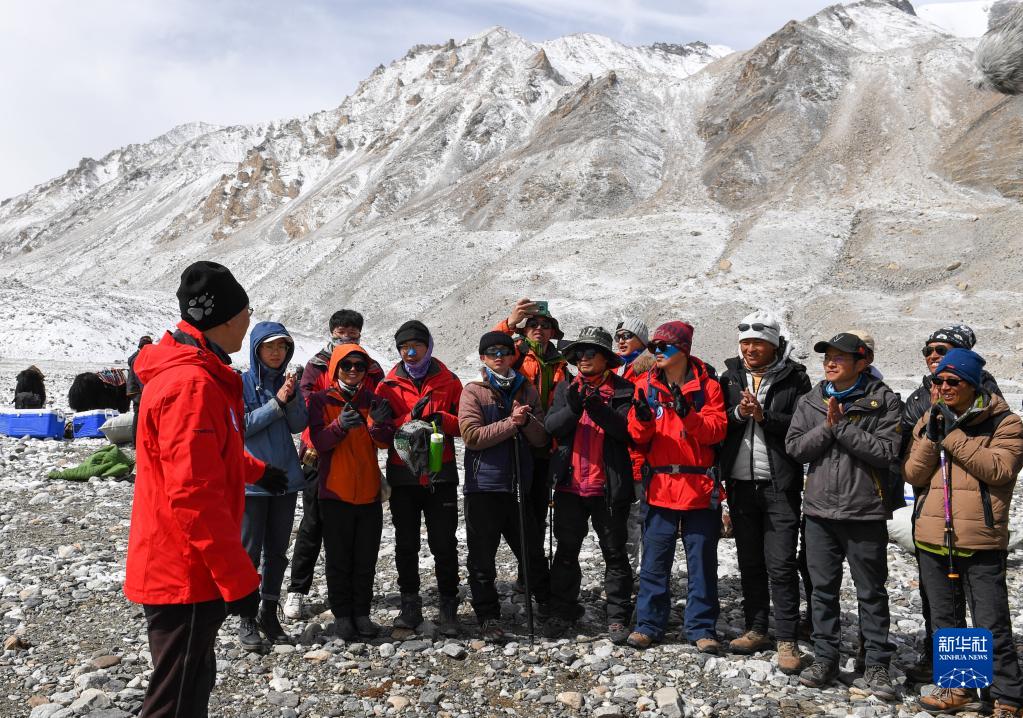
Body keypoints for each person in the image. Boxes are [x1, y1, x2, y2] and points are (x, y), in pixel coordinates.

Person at [125, 261, 288, 717]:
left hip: (182, 561)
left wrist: (255, 470)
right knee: (176, 696)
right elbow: (193, 493)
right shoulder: (191, 385)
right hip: (185, 569)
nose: (249, 319)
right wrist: (237, 579)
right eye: (246, 311)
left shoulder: (194, 373)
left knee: (192, 680)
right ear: (226, 318)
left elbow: (207, 453)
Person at [904, 349, 1023, 717]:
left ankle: (1008, 697)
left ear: (972, 385)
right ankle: (960, 687)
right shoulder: (930, 418)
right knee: (947, 621)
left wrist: (951, 435)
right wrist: (932, 435)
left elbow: (1000, 470)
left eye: (952, 381)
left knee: (991, 623)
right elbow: (913, 473)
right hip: (933, 537)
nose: (943, 387)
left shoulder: (1005, 422)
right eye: (938, 380)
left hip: (980, 539)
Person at [785, 332, 900, 699]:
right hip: (819, 511)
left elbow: (887, 452)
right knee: (822, 590)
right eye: (827, 357)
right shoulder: (811, 400)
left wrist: (843, 428)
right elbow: (795, 448)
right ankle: (825, 658)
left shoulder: (884, 401)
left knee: (871, 591)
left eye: (840, 357)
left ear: (862, 362)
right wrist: (827, 427)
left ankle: (876, 663)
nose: (830, 363)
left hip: (864, 512)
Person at [900, 324, 1000, 681]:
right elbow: (909, 456)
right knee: (940, 601)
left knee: (986, 613)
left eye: (941, 350)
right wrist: (930, 428)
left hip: (973, 521)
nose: (933, 357)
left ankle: (995, 687)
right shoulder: (920, 397)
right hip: (931, 511)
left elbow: (996, 465)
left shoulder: (988, 402)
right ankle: (949, 672)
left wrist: (948, 430)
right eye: (928, 351)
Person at [625, 321, 727, 652]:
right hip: (660, 487)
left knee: (702, 563)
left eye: (663, 347)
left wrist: (689, 416)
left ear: (682, 349)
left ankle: (701, 627)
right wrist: (642, 420)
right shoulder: (644, 385)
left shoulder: (708, 386)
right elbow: (637, 437)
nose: (656, 352)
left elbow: (716, 431)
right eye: (653, 347)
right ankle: (648, 624)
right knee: (654, 562)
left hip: (699, 487)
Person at [718, 312, 810, 674]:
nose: (750, 349)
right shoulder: (729, 377)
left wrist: (764, 416)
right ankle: (756, 628)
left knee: (782, 564)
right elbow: (719, 423)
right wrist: (739, 414)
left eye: (758, 343)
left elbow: (802, 426)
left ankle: (787, 638)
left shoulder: (796, 379)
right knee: (750, 561)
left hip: (780, 485)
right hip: (740, 484)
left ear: (773, 345)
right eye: (746, 343)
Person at [284, 309, 383, 621]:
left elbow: (380, 402)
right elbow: (306, 407)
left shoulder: (371, 367)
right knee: (313, 523)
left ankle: (349, 598)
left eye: (353, 334)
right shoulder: (316, 366)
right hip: (318, 453)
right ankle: (298, 589)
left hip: (358, 455)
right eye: (342, 333)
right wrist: (329, 429)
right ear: (331, 332)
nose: (347, 338)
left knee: (353, 529)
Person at [543, 326, 636, 644]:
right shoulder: (566, 388)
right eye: (579, 353)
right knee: (566, 551)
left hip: (609, 488)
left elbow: (627, 432)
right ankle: (562, 611)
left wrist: (595, 407)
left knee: (614, 553)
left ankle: (618, 617)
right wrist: (573, 408)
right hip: (569, 486)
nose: (583, 358)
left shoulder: (624, 390)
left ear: (606, 358)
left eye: (590, 352)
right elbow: (551, 427)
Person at [458, 331, 550, 640]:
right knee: (482, 558)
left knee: (532, 551)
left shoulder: (526, 389)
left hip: (518, 486)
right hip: (483, 487)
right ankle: (488, 617)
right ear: (483, 358)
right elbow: (472, 436)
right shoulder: (473, 391)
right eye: (492, 352)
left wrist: (527, 422)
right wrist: (512, 423)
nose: (498, 356)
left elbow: (541, 438)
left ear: (512, 356)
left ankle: (547, 606)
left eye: (504, 351)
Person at [376, 320, 464, 636]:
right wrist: (400, 420)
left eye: (416, 346)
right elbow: (382, 439)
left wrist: (442, 419)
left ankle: (448, 606)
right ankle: (410, 605)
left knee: (444, 543)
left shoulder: (449, 381)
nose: (410, 353)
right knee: (406, 543)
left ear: (428, 346)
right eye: (404, 347)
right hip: (403, 476)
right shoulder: (387, 386)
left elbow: (465, 425)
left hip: (441, 473)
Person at [308, 344, 396, 640]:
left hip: (369, 493)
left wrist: (379, 424)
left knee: (365, 559)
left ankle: (362, 614)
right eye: (347, 366)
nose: (354, 371)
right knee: (338, 560)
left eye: (360, 366)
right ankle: (343, 616)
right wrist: (339, 426)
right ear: (335, 369)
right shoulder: (320, 400)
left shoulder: (373, 401)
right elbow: (319, 442)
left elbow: (384, 442)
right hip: (335, 493)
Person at [239, 322, 308, 650]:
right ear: (257, 350)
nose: (276, 352)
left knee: (277, 551)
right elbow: (240, 426)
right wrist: (276, 404)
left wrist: (290, 399)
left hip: (285, 480)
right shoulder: (240, 384)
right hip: (252, 481)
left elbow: (298, 425)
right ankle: (246, 615)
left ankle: (268, 611)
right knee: (249, 551)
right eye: (270, 347)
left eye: (282, 346)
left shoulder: (287, 382)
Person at [494, 299, 572, 564]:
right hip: (518, 440)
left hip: (546, 443)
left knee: (538, 508)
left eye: (545, 325)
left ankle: (534, 568)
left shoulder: (561, 362)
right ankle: (528, 565)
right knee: (520, 509)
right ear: (524, 330)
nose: (539, 328)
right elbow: (492, 346)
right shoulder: (514, 353)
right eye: (533, 324)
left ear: (552, 331)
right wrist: (510, 322)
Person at [614, 318, 653, 572]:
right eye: (618, 336)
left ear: (642, 340)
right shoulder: (617, 368)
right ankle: (631, 571)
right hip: (622, 455)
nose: (621, 340)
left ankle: (645, 571)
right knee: (628, 518)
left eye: (627, 335)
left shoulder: (648, 371)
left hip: (643, 455)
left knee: (642, 517)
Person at [125, 335, 152, 444]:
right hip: (138, 391)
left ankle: (137, 441)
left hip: (134, 390)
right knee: (140, 414)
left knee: (139, 414)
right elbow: (140, 378)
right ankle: (137, 441)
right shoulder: (140, 358)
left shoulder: (138, 356)